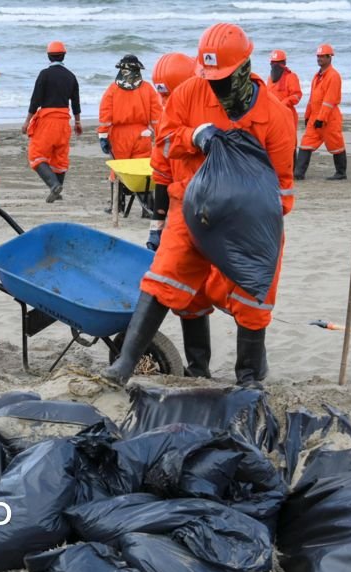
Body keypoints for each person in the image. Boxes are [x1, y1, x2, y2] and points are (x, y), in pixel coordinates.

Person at [103, 23, 296, 388]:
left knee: (255, 294)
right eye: (210, 77)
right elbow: (162, 147)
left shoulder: (275, 115)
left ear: (244, 68)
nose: (216, 86)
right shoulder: (190, 93)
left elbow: (282, 190)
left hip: (247, 222)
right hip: (191, 208)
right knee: (165, 275)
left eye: (222, 78)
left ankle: (249, 376)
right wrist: (193, 136)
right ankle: (126, 364)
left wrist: (251, 214)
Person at [146, 51, 212, 378]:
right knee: (188, 298)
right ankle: (199, 369)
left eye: (167, 94)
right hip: (180, 220)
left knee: (241, 299)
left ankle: (251, 371)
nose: (162, 100)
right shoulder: (166, 124)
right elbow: (160, 175)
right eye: (159, 94)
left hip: (213, 218)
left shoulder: (210, 125)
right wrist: (156, 229)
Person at [97, 54, 163, 214]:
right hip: (143, 134)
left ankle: (117, 205)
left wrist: (103, 136)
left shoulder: (112, 90)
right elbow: (157, 115)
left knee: (119, 169)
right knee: (143, 171)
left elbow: (105, 116)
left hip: (119, 135)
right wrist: (159, 134)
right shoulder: (147, 89)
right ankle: (147, 207)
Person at [22, 41, 82, 204]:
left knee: (36, 155)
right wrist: (77, 122)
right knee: (60, 157)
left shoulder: (44, 74)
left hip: (47, 121)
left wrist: (27, 121)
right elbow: (76, 102)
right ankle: (57, 191)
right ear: (64, 56)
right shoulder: (71, 76)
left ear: (48, 56)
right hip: (64, 121)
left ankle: (54, 185)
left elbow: (35, 100)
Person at [295, 44, 346, 181]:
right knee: (306, 143)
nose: (319, 59)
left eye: (322, 56)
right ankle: (298, 173)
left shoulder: (333, 76)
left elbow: (329, 100)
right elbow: (312, 99)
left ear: (330, 57)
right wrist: (307, 115)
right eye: (318, 56)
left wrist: (321, 118)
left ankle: (341, 173)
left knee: (336, 144)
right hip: (315, 116)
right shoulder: (317, 76)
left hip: (329, 118)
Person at [266, 49, 302, 131]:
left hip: (287, 114)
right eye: (273, 63)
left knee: (290, 141)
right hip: (273, 116)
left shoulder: (291, 77)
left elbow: (297, 95)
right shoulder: (270, 79)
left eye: (279, 63)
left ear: (284, 63)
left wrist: (283, 103)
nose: (276, 65)